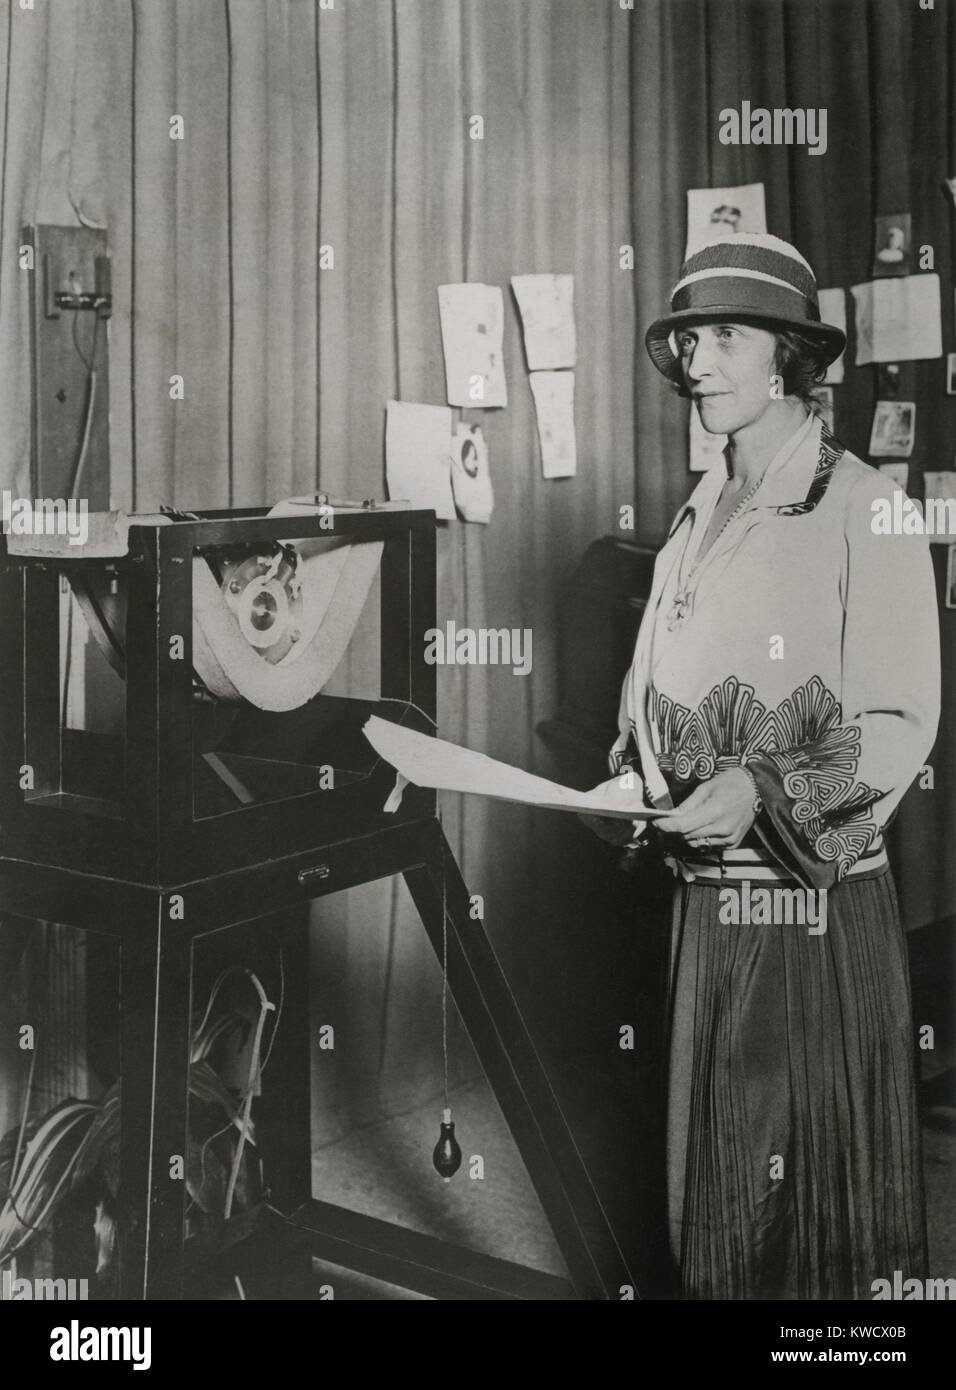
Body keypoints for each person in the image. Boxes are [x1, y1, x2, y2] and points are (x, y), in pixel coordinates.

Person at [583, 232, 940, 1300]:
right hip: (705, 905)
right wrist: (629, 773)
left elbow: (897, 720)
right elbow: (653, 677)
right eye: (687, 337)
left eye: (723, 337)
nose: (695, 359)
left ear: (787, 355)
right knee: (716, 1197)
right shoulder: (695, 511)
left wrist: (761, 788)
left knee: (814, 1212)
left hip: (810, 916)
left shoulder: (864, 507)